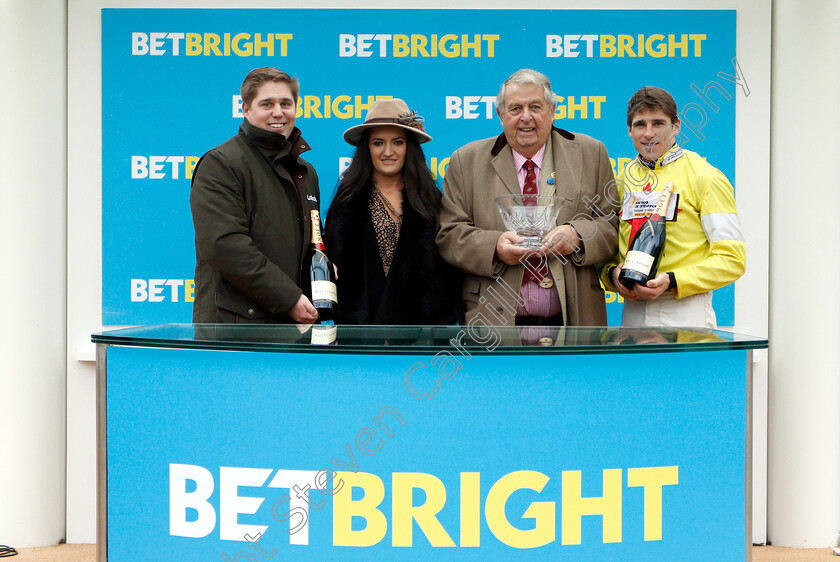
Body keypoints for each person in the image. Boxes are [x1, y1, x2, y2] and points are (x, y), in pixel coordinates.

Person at [436, 69, 618, 326]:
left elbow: (611, 227)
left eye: (535, 106)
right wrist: (495, 246)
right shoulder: (465, 161)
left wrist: (577, 234)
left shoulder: (591, 153)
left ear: (552, 110)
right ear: (500, 115)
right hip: (492, 324)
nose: (526, 117)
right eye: (515, 109)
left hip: (575, 320)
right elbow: (449, 234)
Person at [600, 86, 746, 327]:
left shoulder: (706, 177)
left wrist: (673, 280)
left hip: (686, 309)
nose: (649, 134)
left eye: (658, 123)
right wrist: (612, 275)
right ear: (629, 130)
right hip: (633, 311)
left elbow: (732, 259)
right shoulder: (621, 181)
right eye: (640, 124)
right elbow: (604, 254)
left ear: (676, 125)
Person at [190, 67, 322, 324]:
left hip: (293, 328)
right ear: (246, 109)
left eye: (286, 103)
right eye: (267, 104)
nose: (278, 112)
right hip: (235, 332)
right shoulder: (221, 164)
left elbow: (313, 243)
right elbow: (225, 246)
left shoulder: (305, 171)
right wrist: (289, 298)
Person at [323, 98, 463, 325]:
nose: (388, 152)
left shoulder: (431, 200)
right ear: (367, 148)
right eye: (378, 143)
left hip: (419, 343)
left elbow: (448, 275)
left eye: (397, 142)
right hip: (359, 343)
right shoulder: (346, 202)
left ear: (409, 146)